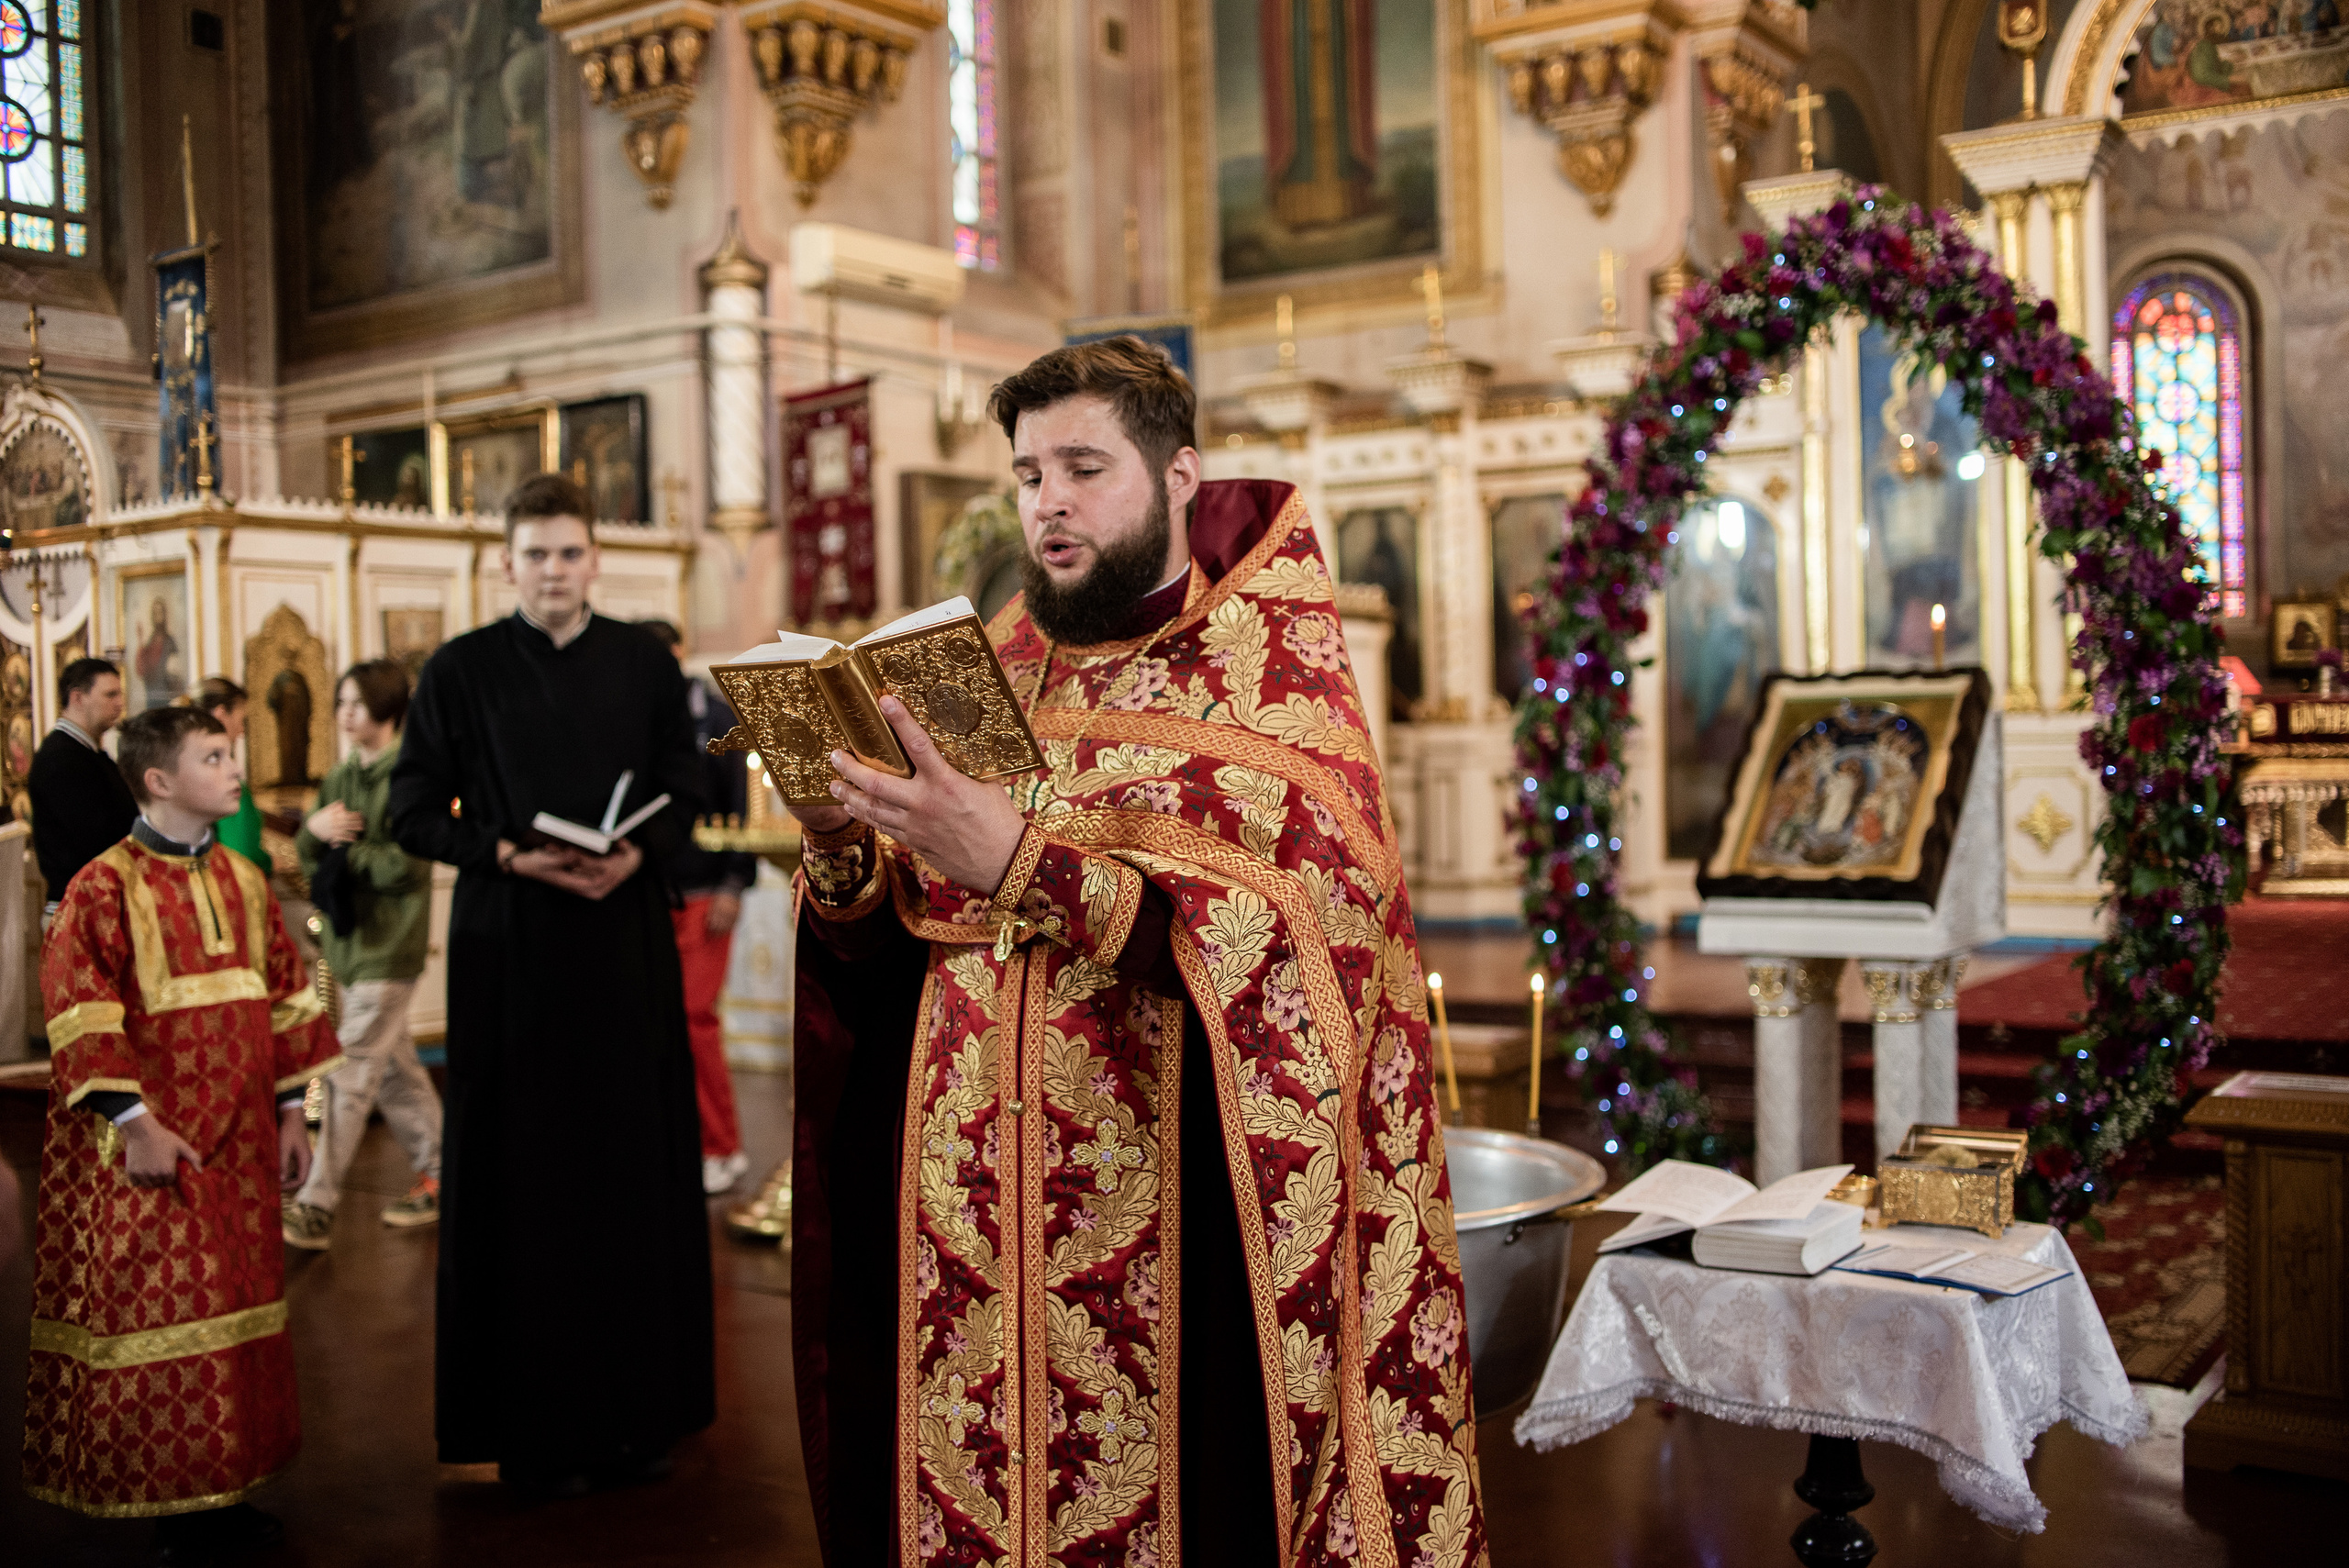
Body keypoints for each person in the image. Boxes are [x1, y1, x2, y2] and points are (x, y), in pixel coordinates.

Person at [783, 338, 1486, 1563]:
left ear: (1177, 476)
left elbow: (1301, 946)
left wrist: (1020, 858)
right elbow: (889, 953)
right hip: (963, 1235)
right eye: (1027, 474)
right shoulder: (997, 670)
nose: (1046, 501)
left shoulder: (1267, 673)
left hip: (1174, 1223)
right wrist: (842, 843)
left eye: (1083, 467)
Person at [388, 473, 712, 1493]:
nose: (554, 571)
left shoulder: (644, 662)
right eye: (536, 554)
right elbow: (410, 810)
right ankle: (529, 1424)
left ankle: (639, 1416)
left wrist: (639, 851)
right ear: (506, 564)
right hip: (512, 950)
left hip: (621, 945)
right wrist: (505, 852)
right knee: (523, 1178)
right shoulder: (459, 669)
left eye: (570, 552)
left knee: (629, 1170)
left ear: (595, 559)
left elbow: (689, 782)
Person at [27, 706, 341, 1560]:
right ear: (159, 779)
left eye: (231, 753)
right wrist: (136, 1125)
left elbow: (287, 996)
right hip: (155, 1146)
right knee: (162, 1317)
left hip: (242, 1145)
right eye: (214, 756)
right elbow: (80, 1010)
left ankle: (227, 1486)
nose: (235, 768)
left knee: (237, 1311)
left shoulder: (244, 878)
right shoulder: (102, 886)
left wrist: (292, 1112)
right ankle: (173, 1504)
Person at [284, 660, 443, 1248]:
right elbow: (309, 856)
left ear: (386, 708)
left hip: (390, 945)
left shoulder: (410, 775)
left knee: (348, 1073)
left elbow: (409, 865)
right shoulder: (341, 775)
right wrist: (314, 833)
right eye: (341, 703)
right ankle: (446, 1175)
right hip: (349, 943)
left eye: (356, 703)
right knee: (396, 1073)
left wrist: (344, 850)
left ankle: (316, 1204)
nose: (345, 714)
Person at [640, 617, 757, 1195]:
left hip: (707, 889)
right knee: (651, 1024)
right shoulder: (637, 715)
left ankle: (721, 1146)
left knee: (694, 1018)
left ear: (679, 653)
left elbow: (744, 803)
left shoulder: (716, 717)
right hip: (648, 890)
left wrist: (734, 883)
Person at [28, 657, 136, 910]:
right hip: (81, 906)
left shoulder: (88, 753)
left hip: (98, 899)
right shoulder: (61, 758)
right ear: (77, 697)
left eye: (119, 694)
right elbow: (94, 838)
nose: (119, 704)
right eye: (110, 695)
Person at [193, 676, 270, 873]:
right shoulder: (228, 785)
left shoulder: (183, 771)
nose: (242, 731)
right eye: (241, 720)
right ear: (221, 715)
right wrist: (268, 863)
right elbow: (242, 858)